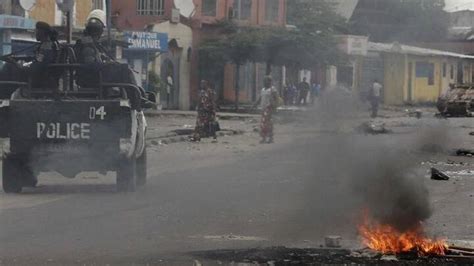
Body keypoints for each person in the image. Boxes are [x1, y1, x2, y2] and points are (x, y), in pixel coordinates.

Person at [74, 9, 108, 87]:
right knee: (124, 72)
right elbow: (90, 65)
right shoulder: (87, 45)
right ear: (99, 31)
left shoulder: (87, 42)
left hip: (91, 78)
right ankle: (135, 96)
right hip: (92, 80)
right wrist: (106, 65)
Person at [255, 76, 279, 144]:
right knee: (265, 124)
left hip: (269, 108)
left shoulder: (272, 89)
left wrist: (274, 107)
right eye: (264, 81)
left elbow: (276, 99)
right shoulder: (263, 89)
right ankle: (266, 138)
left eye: (266, 81)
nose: (264, 82)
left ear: (270, 82)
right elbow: (260, 98)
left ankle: (268, 138)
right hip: (263, 109)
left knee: (267, 124)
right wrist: (255, 105)